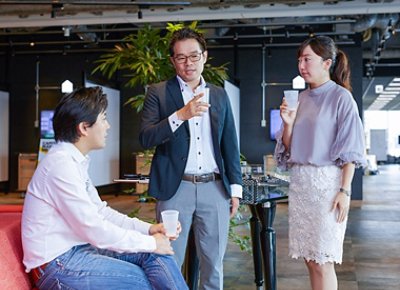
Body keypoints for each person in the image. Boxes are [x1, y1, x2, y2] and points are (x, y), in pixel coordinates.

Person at [22, 87, 188, 290]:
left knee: (157, 254)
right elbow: (95, 229)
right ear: (84, 127)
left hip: (79, 250)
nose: (108, 126)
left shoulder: (73, 161)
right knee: (142, 282)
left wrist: (149, 230)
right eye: (103, 119)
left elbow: (101, 212)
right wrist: (151, 242)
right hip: (57, 265)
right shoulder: (61, 165)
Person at [139, 28, 242, 290]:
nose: (189, 63)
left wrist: (235, 189)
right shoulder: (158, 92)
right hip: (175, 190)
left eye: (194, 56)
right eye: (181, 58)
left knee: (214, 265)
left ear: (204, 57)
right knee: (169, 261)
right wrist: (180, 115)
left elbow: (229, 143)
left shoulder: (218, 94)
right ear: (173, 61)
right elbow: (146, 138)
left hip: (215, 188)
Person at [274, 36, 366, 290]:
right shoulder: (300, 98)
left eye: (307, 59)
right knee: (310, 260)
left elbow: (351, 152)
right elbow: (291, 149)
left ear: (327, 63)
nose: (302, 65)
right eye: (299, 60)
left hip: (327, 185)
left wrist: (345, 191)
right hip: (302, 185)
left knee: (323, 260)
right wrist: (288, 123)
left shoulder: (341, 98)